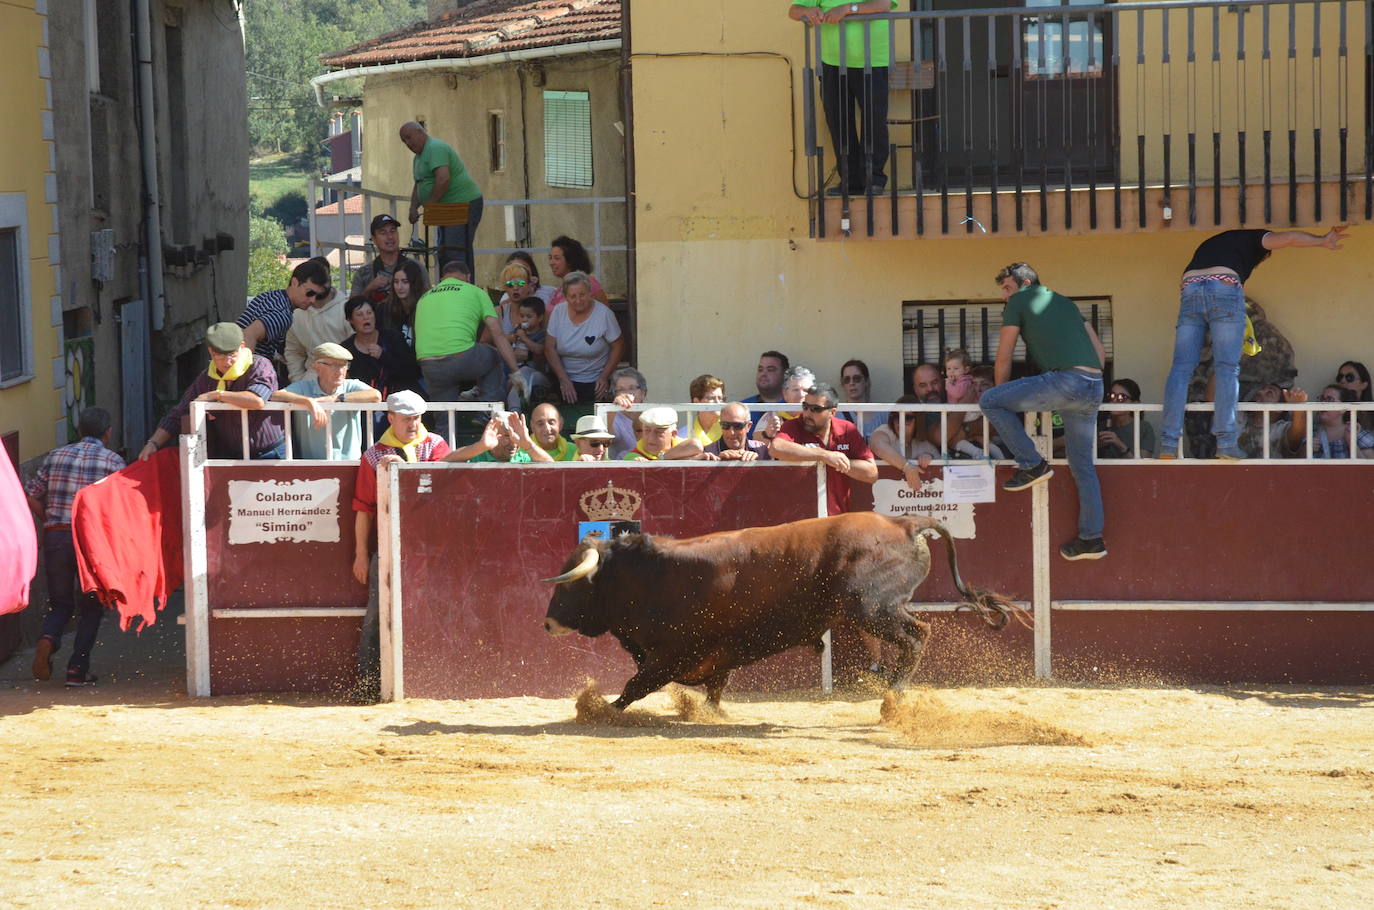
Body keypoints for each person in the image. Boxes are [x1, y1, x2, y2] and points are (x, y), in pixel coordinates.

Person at [350, 391, 505, 700]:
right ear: (391, 417)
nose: (413, 424)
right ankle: (369, 687)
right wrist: (359, 555)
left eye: (417, 418)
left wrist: (478, 448)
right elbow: (363, 508)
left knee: (443, 610)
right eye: (406, 418)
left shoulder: (433, 444)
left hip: (434, 548)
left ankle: (447, 681)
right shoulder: (373, 455)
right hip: (392, 548)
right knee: (378, 618)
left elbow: (446, 464)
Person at [1159, 225, 1349, 460]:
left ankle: (1168, 445)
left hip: (1189, 288)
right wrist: (1322, 240)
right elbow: (1288, 238)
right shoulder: (1256, 239)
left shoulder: (1216, 242)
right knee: (1227, 367)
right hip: (1224, 285)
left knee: (1180, 369)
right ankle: (1226, 444)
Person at [980, 262, 1107, 561]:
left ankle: (1032, 464)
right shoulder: (1065, 302)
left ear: (1024, 284)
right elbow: (1099, 354)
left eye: (1007, 288)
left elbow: (1004, 355)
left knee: (989, 401)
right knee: (1083, 467)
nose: (1005, 297)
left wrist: (1000, 393)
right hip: (1093, 386)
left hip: (1066, 381)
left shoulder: (1020, 300)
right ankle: (1091, 539)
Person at [24, 407, 124, 686]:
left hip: (57, 537)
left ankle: (48, 639)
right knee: (92, 605)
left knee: (60, 604)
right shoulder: (113, 461)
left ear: (78, 431)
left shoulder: (56, 456)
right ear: (108, 432)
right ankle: (76, 670)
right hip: (91, 542)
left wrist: (49, 520)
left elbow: (31, 495)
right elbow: (120, 508)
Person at [788, 1, 899, 196]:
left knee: (874, 120)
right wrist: (808, 11)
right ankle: (851, 181)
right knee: (838, 122)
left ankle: (873, 179)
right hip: (832, 61)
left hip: (872, 60)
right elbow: (793, 10)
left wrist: (847, 9)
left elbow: (884, 4)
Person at [139, 322, 285, 461]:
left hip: (270, 453)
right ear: (210, 352)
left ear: (242, 346)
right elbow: (180, 412)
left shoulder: (259, 366)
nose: (227, 362)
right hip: (233, 457)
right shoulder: (207, 377)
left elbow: (257, 400)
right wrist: (153, 443)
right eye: (219, 356)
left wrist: (217, 395)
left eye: (232, 355)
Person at [414, 260, 521, 421]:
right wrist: (515, 371)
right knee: (495, 356)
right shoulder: (475, 292)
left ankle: (447, 443)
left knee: (445, 421)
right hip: (461, 358)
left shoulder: (425, 297)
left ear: (443, 278)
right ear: (468, 278)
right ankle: (486, 411)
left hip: (429, 365)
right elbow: (497, 334)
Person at [769, 382, 877, 515]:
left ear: (832, 412)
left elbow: (872, 473)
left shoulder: (847, 429)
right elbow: (776, 448)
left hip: (837, 518)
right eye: (805, 406)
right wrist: (823, 455)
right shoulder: (794, 425)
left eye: (815, 409)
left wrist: (841, 463)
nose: (807, 413)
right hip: (800, 520)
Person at [271, 342, 382, 460]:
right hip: (311, 465)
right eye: (333, 365)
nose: (340, 371)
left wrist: (338, 398)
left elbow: (376, 395)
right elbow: (275, 395)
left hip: (350, 464)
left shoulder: (351, 386)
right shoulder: (304, 387)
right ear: (317, 366)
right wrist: (309, 401)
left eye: (343, 365)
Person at [400, 121, 482, 275]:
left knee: (455, 251)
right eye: (404, 141)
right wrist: (413, 207)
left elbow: (443, 179)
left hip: (462, 204)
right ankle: (447, 287)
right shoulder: (418, 158)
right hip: (445, 208)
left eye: (409, 138)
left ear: (420, 132)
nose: (407, 143)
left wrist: (430, 205)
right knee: (444, 251)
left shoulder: (435, 148)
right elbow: (419, 183)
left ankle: (462, 289)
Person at [544, 270, 625, 423]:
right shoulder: (558, 312)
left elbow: (619, 346)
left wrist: (604, 376)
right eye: (572, 296)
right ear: (566, 297)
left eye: (582, 294)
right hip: (564, 378)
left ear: (589, 293)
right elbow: (549, 347)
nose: (578, 300)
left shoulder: (604, 314)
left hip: (596, 379)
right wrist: (563, 379)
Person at [237, 257, 331, 363]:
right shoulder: (282, 315)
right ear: (294, 282)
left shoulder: (270, 296)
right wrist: (243, 374)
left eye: (317, 296)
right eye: (309, 293)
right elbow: (249, 334)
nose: (313, 300)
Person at [341, 295, 423, 402]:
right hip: (364, 409)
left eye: (369, 313)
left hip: (399, 405)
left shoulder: (392, 338)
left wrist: (384, 356)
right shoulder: (345, 349)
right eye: (359, 314)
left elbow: (412, 371)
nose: (366, 317)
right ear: (350, 320)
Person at [283, 265, 351, 383]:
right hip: (311, 379)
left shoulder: (346, 309)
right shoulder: (296, 314)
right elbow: (293, 351)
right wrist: (298, 380)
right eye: (309, 293)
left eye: (319, 294)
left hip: (344, 378)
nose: (313, 299)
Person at [350, 213, 427, 302]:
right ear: (374, 239)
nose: (390, 237)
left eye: (393, 231)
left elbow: (429, 299)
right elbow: (352, 308)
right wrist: (370, 289)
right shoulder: (363, 273)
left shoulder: (416, 267)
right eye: (383, 233)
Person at [868, 395, 939, 490]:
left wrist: (930, 458)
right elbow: (877, 445)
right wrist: (907, 467)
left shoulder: (924, 445)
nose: (900, 421)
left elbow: (942, 472)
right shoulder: (887, 430)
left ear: (917, 420)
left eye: (907, 418)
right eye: (896, 416)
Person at [503, 296, 550, 411]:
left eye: (529, 316)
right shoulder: (517, 331)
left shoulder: (542, 334)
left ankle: (515, 410)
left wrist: (524, 339)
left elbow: (541, 350)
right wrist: (511, 338)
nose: (524, 320)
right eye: (522, 316)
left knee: (522, 374)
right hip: (514, 373)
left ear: (540, 318)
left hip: (536, 374)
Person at [1237, 383, 1308, 459]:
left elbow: (1297, 433)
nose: (1260, 392)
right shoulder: (1242, 420)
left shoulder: (1280, 429)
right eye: (1259, 392)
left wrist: (1298, 406)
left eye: (1269, 393)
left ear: (1279, 409)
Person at [1307, 386, 1374, 459]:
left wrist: (1351, 442)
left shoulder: (1355, 431)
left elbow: (1369, 468)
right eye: (1322, 399)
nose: (1323, 403)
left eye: (1330, 399)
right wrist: (1307, 448)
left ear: (1343, 408)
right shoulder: (1310, 431)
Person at [1097, 379, 1156, 459]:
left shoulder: (1144, 428)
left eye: (1121, 397)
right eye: (1112, 395)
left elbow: (1142, 467)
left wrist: (1119, 444)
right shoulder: (1102, 426)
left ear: (1135, 404)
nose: (1114, 400)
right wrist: (1096, 446)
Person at [463, 411, 553, 463]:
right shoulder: (477, 458)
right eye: (507, 435)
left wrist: (528, 444)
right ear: (493, 434)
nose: (514, 442)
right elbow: (450, 461)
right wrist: (481, 446)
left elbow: (552, 468)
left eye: (516, 435)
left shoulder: (523, 459)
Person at [755, 365, 815, 442]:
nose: (801, 395)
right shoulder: (772, 416)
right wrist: (767, 435)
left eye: (806, 390)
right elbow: (756, 445)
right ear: (785, 393)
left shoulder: (817, 417)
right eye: (795, 390)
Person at [379, 259, 430, 349]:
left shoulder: (426, 307)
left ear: (415, 283)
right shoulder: (384, 309)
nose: (399, 287)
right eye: (396, 282)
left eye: (405, 282)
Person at [547, 236, 610, 308]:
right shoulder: (560, 288)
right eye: (550, 258)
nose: (551, 263)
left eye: (557, 258)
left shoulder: (588, 282)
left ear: (571, 260)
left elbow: (605, 313)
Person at [623, 407, 705, 460]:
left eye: (658, 432)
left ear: (673, 434)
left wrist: (662, 458)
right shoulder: (633, 456)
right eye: (647, 431)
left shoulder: (681, 445)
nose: (651, 438)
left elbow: (696, 445)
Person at [702, 402, 771, 461]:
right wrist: (718, 462)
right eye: (725, 425)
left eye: (737, 426)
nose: (731, 432)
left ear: (748, 426)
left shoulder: (761, 450)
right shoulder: (708, 453)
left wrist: (757, 462)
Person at [837, 358, 886, 437]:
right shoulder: (836, 416)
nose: (852, 383)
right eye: (847, 379)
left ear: (866, 381)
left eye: (857, 379)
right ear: (843, 384)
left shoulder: (884, 415)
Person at [608, 367, 648, 458]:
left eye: (632, 388)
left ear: (643, 393)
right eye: (621, 389)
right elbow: (606, 436)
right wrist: (613, 408)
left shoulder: (652, 416)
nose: (626, 393)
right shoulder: (614, 418)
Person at [742, 350, 790, 422]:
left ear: (785, 374)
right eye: (760, 369)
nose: (763, 374)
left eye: (770, 370)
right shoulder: (743, 408)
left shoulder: (794, 408)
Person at [681, 374, 726, 447]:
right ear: (696, 402)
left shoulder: (729, 429)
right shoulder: (683, 434)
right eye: (711, 398)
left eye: (720, 398)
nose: (718, 402)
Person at [1334, 360, 1372, 430]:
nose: (1342, 381)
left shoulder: (1371, 412)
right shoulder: (1330, 411)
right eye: (1340, 377)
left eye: (1349, 377)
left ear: (1363, 385)